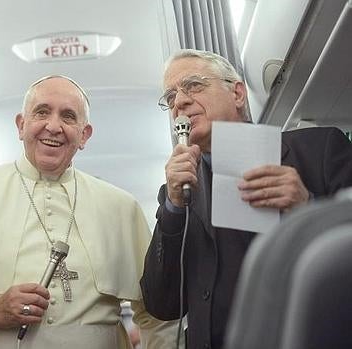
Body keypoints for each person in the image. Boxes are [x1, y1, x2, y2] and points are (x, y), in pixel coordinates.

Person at [0, 75, 174, 349]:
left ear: (84, 135)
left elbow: (159, 314)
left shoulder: (121, 208)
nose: (53, 126)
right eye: (42, 112)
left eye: (68, 117)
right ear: (21, 125)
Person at [140, 49, 352, 349]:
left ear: (238, 93)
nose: (180, 102)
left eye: (194, 85)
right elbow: (161, 303)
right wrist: (173, 207)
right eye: (170, 96)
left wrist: (308, 206)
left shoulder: (320, 150)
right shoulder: (182, 190)